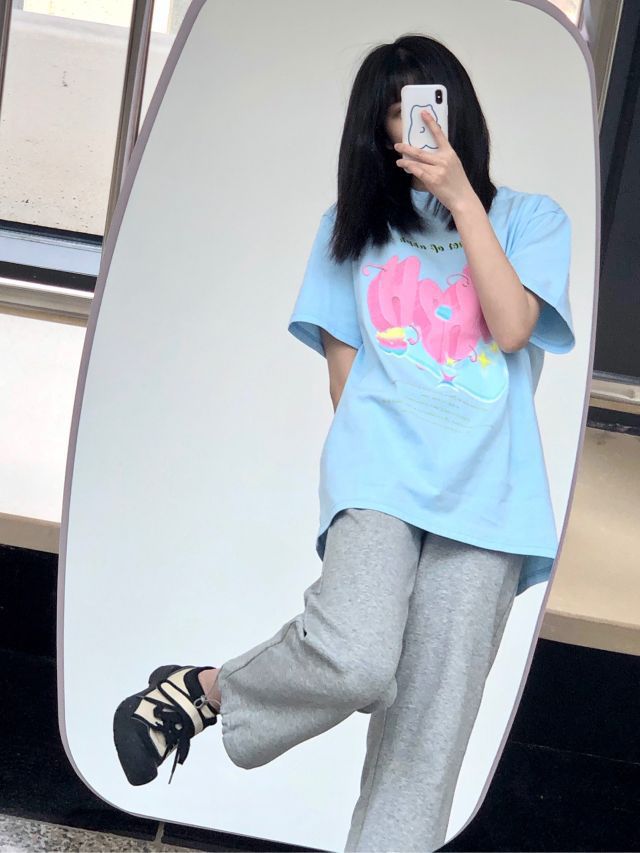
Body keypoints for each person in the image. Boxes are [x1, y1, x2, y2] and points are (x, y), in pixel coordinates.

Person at [112, 33, 575, 853]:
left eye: (426, 103)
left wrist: (464, 202)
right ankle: (210, 690)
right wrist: (373, 471)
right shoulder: (350, 230)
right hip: (382, 476)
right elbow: (346, 384)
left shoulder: (531, 219)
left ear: (459, 108)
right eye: (394, 113)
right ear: (376, 131)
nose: (414, 125)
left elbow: (511, 328)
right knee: (356, 656)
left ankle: (205, 692)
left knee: (425, 742)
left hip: (492, 499)